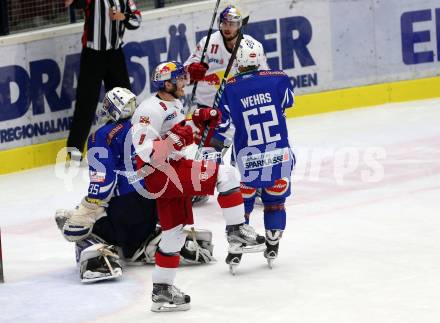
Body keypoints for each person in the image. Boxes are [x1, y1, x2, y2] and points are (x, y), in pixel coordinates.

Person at [131, 61, 266, 312]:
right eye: (180, 79)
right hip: (161, 173)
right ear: (167, 83)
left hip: (169, 171)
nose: (185, 82)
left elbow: (181, 134)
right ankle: (236, 231)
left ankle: (162, 289)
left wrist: (198, 121)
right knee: (226, 173)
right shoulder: (148, 110)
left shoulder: (173, 103)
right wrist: (179, 136)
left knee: (175, 231)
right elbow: (148, 153)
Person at [55, 87, 214, 283]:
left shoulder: (101, 135)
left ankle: (97, 251)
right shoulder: (149, 126)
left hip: (126, 208)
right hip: (155, 201)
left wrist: (89, 207)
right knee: (142, 227)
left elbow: (104, 180)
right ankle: (151, 243)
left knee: (80, 226)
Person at [205, 38, 296, 269]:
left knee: (242, 203)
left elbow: (222, 126)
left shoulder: (230, 87)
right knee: (275, 202)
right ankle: (273, 241)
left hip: (247, 161)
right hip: (280, 155)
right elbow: (288, 103)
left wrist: (213, 151)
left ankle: (236, 245)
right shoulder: (279, 78)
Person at [184, 4, 268, 205]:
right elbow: (185, 74)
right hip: (210, 107)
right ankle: (203, 186)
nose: (228, 27)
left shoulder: (251, 46)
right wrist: (192, 71)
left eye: (233, 23)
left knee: (248, 145)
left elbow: (263, 77)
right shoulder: (207, 43)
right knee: (209, 149)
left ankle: (254, 183)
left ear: (241, 25)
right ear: (220, 23)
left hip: (240, 105)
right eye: (225, 23)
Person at [64, 0, 141, 160]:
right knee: (86, 103)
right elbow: (74, 4)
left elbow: (136, 20)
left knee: (125, 102)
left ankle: (129, 145)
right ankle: (74, 152)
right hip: (93, 55)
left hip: (115, 55)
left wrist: (123, 17)